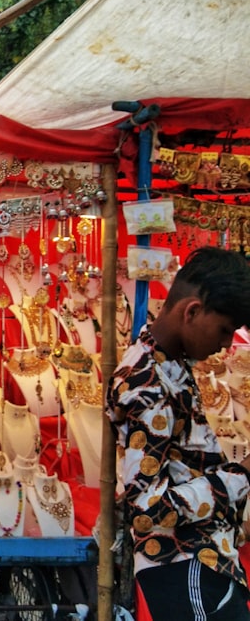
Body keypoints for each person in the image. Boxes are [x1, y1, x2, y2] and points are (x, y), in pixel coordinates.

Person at [108, 246, 250, 620]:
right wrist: (237, 477)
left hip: (201, 564)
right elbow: (148, 510)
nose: (225, 344)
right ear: (192, 311)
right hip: (185, 566)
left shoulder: (165, 363)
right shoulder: (148, 384)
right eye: (224, 330)